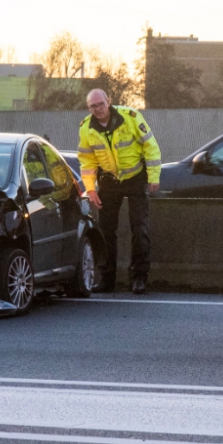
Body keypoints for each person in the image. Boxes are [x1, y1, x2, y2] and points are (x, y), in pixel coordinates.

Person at [78, 89, 162, 295]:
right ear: (89, 108)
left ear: (109, 101)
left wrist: (153, 176)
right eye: (92, 106)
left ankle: (139, 279)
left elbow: (150, 146)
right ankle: (107, 280)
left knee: (139, 230)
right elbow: (87, 162)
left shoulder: (131, 117)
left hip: (135, 178)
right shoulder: (86, 128)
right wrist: (90, 189)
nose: (97, 109)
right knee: (106, 232)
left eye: (100, 104)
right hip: (108, 182)